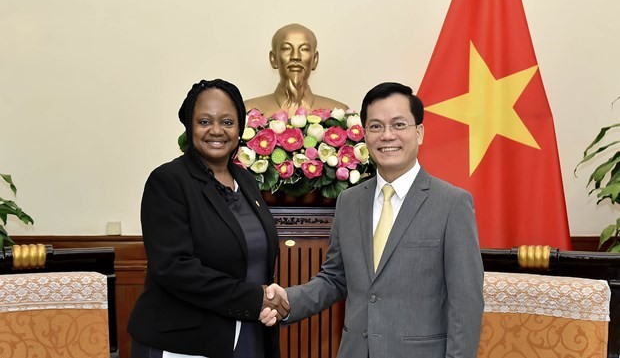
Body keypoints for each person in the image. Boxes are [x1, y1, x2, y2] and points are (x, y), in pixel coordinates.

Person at [262, 82, 484, 358]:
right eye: (376, 126)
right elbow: (334, 278)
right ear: (365, 135)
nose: (387, 135)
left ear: (420, 132)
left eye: (399, 124)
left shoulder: (452, 204)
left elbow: (466, 304)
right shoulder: (349, 201)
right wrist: (287, 299)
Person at [128, 79, 289, 358]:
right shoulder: (168, 181)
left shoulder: (247, 181)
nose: (216, 130)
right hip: (184, 343)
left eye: (227, 122)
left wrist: (267, 300)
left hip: (249, 332)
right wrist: (253, 298)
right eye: (205, 121)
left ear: (240, 128)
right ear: (190, 127)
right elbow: (174, 268)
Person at [244, 23, 349, 116]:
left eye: (304, 49)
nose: (295, 56)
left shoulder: (339, 114)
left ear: (315, 59)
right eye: (286, 48)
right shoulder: (247, 112)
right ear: (273, 59)